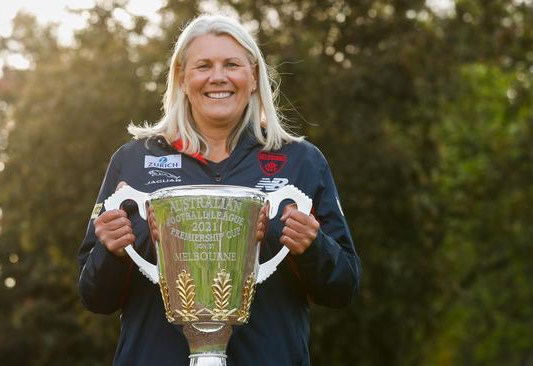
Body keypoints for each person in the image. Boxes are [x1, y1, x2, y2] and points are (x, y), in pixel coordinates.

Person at [78, 14, 361, 366]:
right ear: (182, 78)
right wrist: (111, 251)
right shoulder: (133, 161)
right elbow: (94, 298)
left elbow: (343, 288)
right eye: (203, 66)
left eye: (232, 64)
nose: (218, 77)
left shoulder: (301, 161)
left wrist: (312, 246)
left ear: (254, 77)